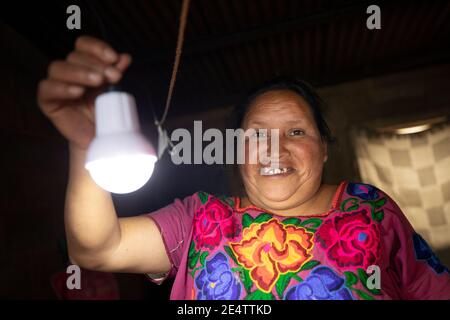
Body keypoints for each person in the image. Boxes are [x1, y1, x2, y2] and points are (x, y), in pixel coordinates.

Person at [37, 36, 450, 300]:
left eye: (296, 132)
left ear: (323, 149)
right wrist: (87, 144)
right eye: (256, 136)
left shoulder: (370, 209)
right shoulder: (200, 220)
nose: (274, 149)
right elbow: (96, 247)